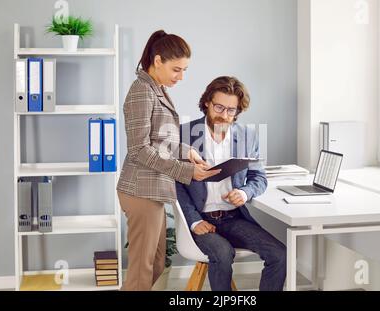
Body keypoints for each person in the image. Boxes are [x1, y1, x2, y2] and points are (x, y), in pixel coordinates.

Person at [116, 30, 220, 291]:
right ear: (158, 60)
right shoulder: (142, 91)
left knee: (157, 262)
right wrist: (186, 171)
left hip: (152, 190)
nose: (181, 77)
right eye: (177, 69)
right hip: (140, 191)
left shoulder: (156, 88)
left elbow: (160, 138)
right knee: (142, 269)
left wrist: (187, 152)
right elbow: (139, 149)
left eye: (184, 70)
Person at [176, 76, 287, 291]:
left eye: (231, 110)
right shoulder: (185, 134)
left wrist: (245, 193)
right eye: (219, 107)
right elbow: (176, 184)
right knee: (223, 253)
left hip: (233, 217)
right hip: (201, 219)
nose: (224, 116)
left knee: (279, 254)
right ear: (207, 102)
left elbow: (259, 177)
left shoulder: (248, 136)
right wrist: (194, 221)